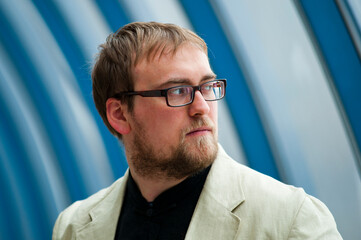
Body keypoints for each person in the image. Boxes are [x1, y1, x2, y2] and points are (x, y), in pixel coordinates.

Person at [52, 21, 342, 240]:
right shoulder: (74, 227)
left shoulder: (292, 220)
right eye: (177, 91)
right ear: (119, 114)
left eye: (207, 86)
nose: (202, 107)